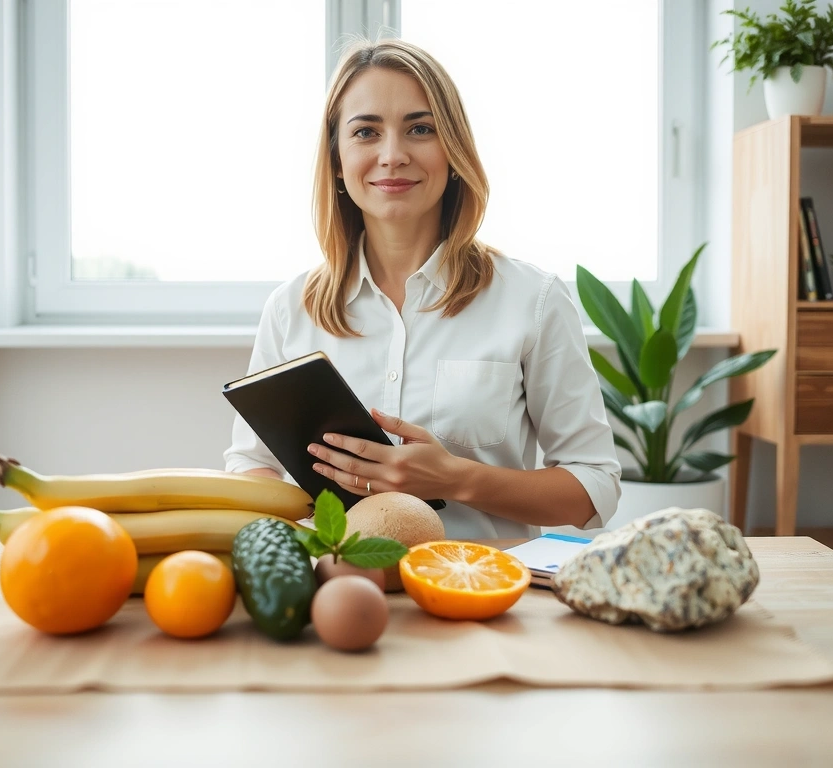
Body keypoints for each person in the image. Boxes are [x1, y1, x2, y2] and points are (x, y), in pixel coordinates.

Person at [223, 37, 620, 539]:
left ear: (452, 150)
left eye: (420, 129)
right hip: (344, 588)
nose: (393, 155)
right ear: (338, 161)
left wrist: (457, 479)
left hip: (483, 594)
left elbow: (593, 489)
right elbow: (250, 467)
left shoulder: (533, 300)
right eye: (366, 132)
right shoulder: (289, 310)